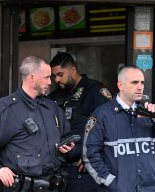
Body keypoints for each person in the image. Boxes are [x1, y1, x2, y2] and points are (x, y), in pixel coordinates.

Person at [0, 56, 75, 192]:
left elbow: (65, 135)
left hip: (54, 186)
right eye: (46, 77)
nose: (50, 82)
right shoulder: (6, 109)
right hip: (23, 188)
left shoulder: (52, 107)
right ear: (32, 78)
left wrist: (67, 145)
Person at [83, 65, 155, 192]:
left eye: (142, 82)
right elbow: (89, 155)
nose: (140, 87)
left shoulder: (149, 113)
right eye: (134, 82)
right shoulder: (102, 115)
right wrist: (110, 182)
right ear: (120, 85)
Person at [49, 52, 112, 192]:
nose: (56, 80)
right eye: (54, 76)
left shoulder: (95, 91)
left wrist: (90, 156)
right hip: (59, 167)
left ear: (72, 70)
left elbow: (110, 126)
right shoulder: (56, 95)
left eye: (60, 74)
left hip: (84, 169)